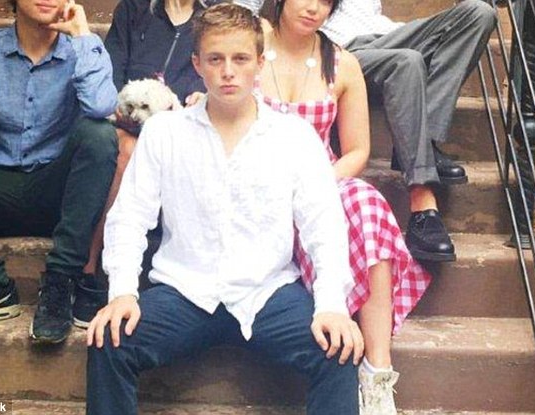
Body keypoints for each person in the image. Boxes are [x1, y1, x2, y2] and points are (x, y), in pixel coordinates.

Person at [86, 4, 362, 415]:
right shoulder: (165, 132)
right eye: (215, 59)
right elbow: (129, 218)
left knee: (338, 349)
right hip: (185, 289)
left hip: (267, 292)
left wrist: (332, 305)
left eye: (240, 59)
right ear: (197, 64)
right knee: (109, 341)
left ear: (260, 63)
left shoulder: (294, 136)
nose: (228, 72)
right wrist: (123, 291)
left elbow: (324, 227)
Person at [251, 0, 433, 413]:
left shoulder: (342, 63)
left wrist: (315, 186)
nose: (314, 8)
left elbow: (357, 151)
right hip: (254, 185)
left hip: (319, 183)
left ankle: (377, 371)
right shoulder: (252, 42)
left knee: (366, 201)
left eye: (326, 1)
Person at [238, 0, 497, 263]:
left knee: (479, 13)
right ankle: (422, 203)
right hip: (343, 50)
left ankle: (424, 140)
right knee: (407, 62)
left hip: (389, 38)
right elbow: (240, 10)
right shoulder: (314, 23)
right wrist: (265, 28)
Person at [0, 0, 118, 344]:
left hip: (58, 194)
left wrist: (82, 34)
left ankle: (61, 281)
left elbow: (101, 106)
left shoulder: (83, 48)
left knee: (100, 134)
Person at [81, 0, 217, 281]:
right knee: (126, 151)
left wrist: (200, 96)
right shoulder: (133, 9)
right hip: (128, 123)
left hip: (182, 128)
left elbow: (214, 75)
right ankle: (91, 267)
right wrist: (122, 108)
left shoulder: (213, 17)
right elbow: (112, 73)